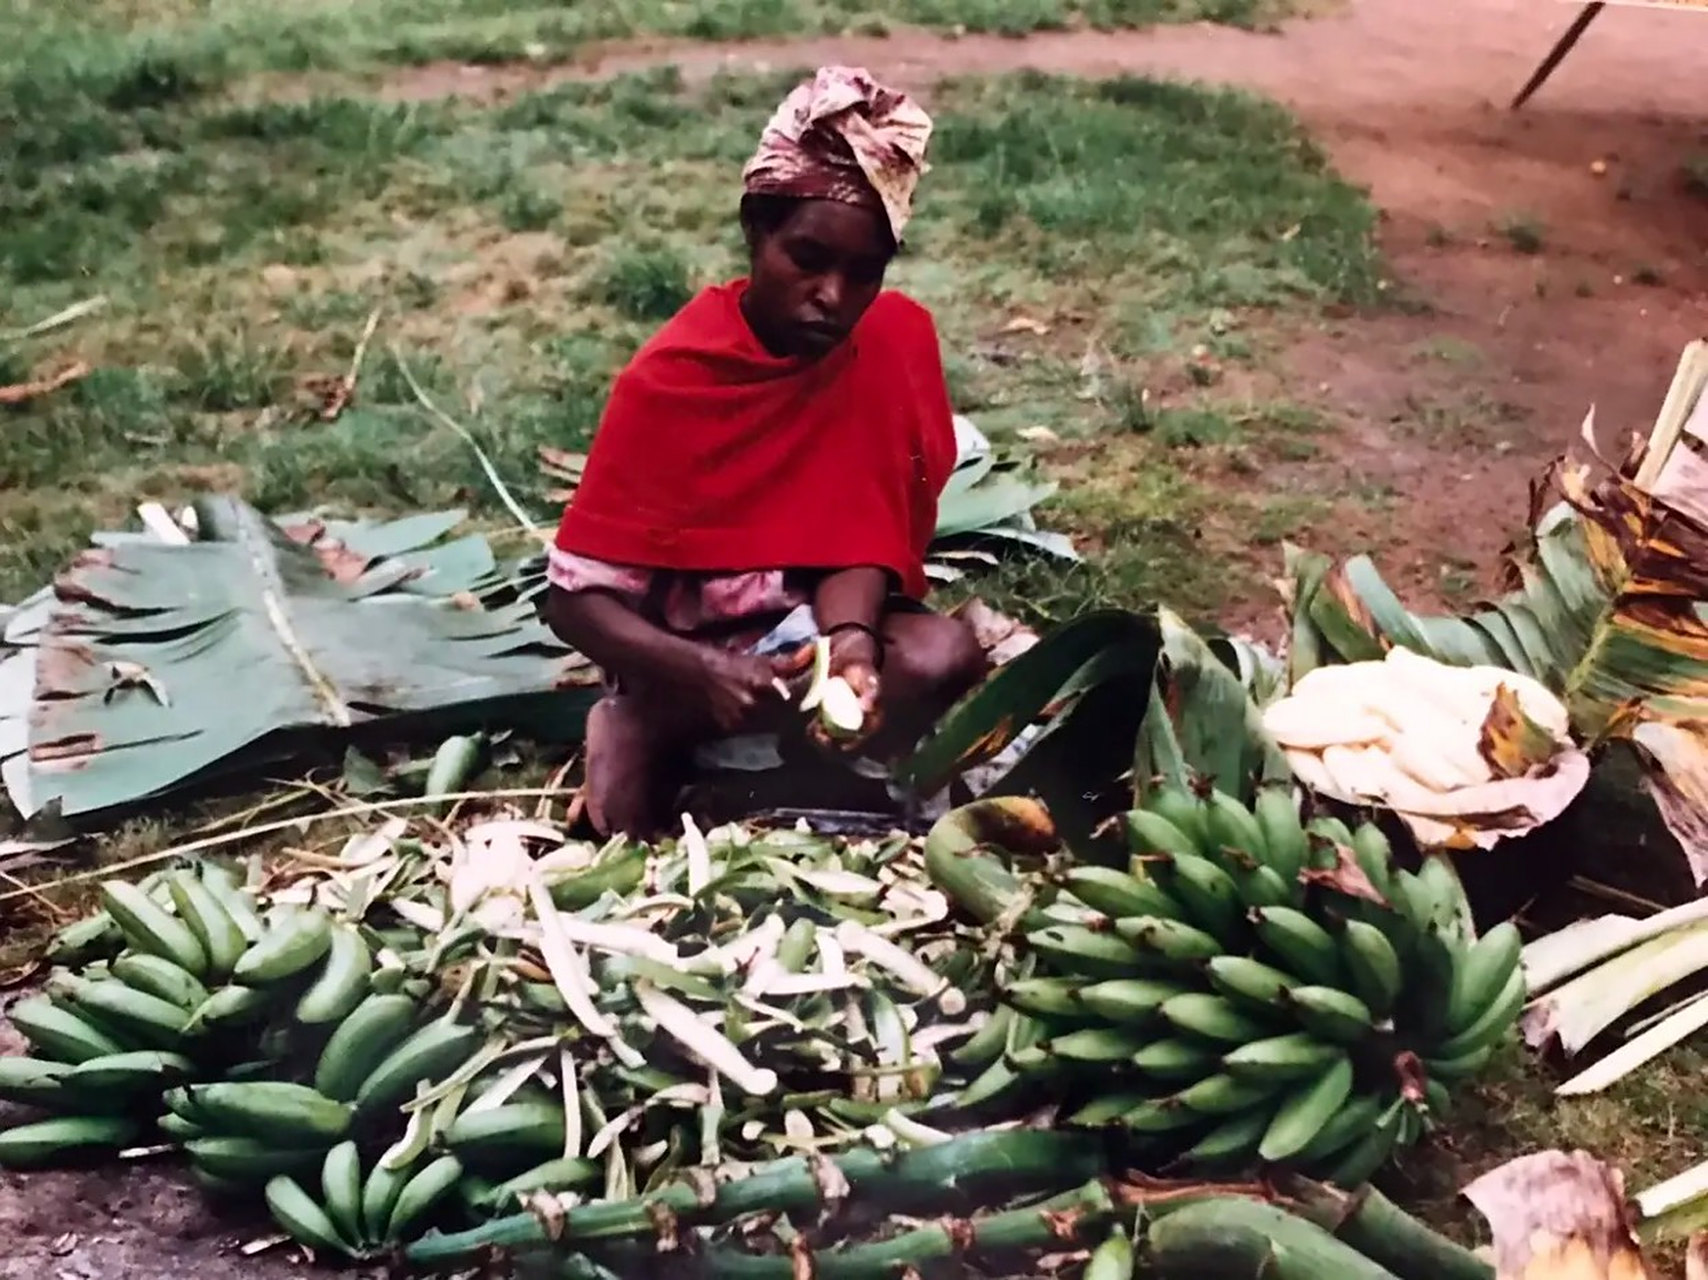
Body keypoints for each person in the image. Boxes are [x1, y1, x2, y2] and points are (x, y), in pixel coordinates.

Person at [544, 66, 988, 840]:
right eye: (807, 259)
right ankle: (645, 723)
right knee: (628, 818)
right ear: (756, 229)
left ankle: (784, 773)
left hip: (813, 627)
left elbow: (861, 532)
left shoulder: (887, 344)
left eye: (864, 273)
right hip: (693, 655)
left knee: (943, 654)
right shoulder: (676, 380)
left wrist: (850, 643)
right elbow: (575, 604)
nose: (833, 297)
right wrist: (696, 670)